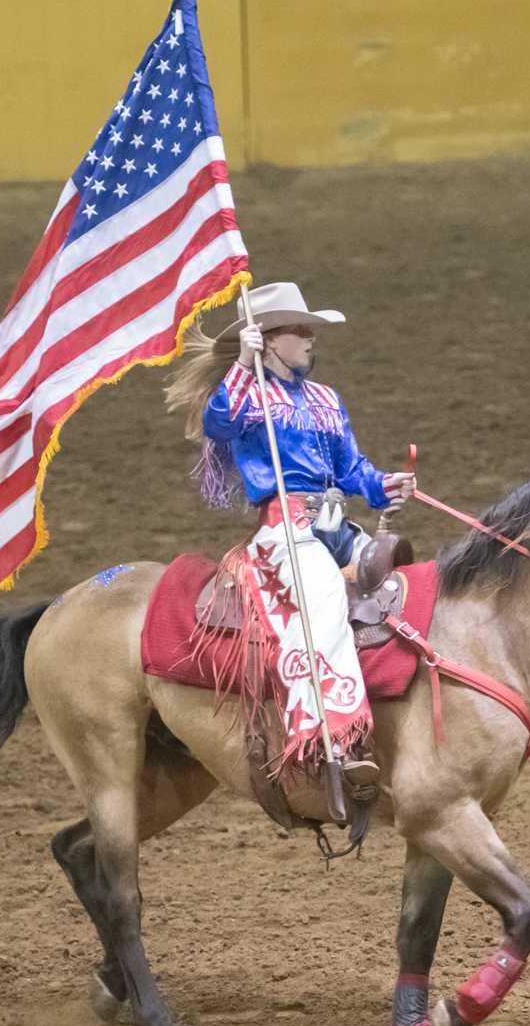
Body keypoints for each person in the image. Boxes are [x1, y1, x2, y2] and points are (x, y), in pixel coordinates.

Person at [164, 281, 413, 779]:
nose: (309, 338)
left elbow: (351, 468)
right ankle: (327, 736)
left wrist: (385, 485)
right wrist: (239, 366)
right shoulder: (245, 394)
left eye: (309, 330)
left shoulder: (324, 397)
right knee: (320, 602)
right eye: (299, 330)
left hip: (336, 523)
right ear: (269, 339)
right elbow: (219, 424)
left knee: (406, 584)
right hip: (286, 530)